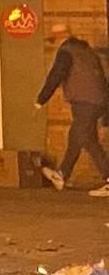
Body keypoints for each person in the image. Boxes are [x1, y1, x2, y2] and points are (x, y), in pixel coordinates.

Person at [36, 23, 109, 192]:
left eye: (53, 39)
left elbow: (56, 75)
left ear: (61, 37)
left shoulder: (66, 52)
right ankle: (62, 174)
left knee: (85, 138)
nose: (53, 44)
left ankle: (107, 177)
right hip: (98, 100)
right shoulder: (86, 50)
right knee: (78, 136)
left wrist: (41, 99)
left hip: (85, 101)